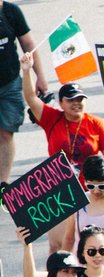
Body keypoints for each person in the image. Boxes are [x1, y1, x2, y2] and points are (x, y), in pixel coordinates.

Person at [20, 57, 104, 191]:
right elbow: (31, 98)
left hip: (90, 189)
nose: (76, 103)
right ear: (61, 103)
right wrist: (26, 71)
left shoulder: (96, 123)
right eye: (71, 100)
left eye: (80, 99)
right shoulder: (52, 118)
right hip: (61, 191)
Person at [0, 1, 41, 183]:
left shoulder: (11, 11)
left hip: (10, 83)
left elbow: (28, 44)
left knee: (6, 133)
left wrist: (40, 76)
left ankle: (3, 183)